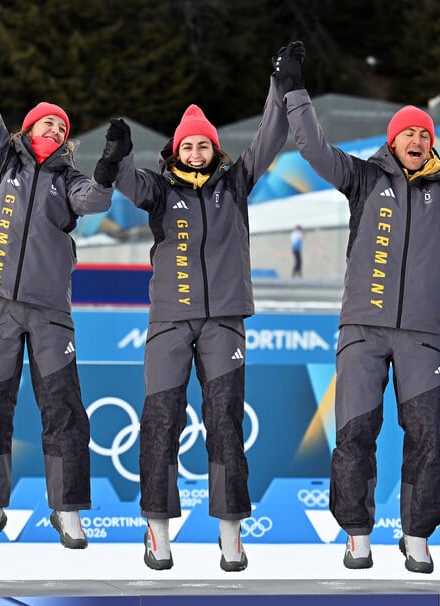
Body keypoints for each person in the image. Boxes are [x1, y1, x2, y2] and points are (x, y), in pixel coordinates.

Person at [282, 44, 440, 573]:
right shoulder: (363, 179)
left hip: (420, 336)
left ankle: (416, 534)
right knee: (355, 435)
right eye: (408, 132)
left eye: (425, 133)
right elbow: (315, 148)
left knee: (427, 436)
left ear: (431, 144)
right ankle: (357, 532)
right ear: (393, 141)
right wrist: (295, 90)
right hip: (362, 330)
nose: (417, 139)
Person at [94, 44, 296, 572]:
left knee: (225, 422)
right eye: (190, 145)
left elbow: (270, 136)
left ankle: (230, 534)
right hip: (169, 321)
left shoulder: (236, 184)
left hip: (224, 321)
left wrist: (280, 84)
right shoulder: (160, 190)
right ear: (176, 150)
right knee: (161, 420)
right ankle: (157, 532)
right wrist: (117, 154)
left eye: (205, 145)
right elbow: (127, 182)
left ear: (214, 150)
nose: (198, 152)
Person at [0, 0, 113, 551]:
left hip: (51, 312)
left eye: (61, 125)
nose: (53, 127)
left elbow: (95, 201)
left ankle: (68, 511)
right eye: (44, 122)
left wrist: (106, 167)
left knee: (64, 412)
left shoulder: (69, 180)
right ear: (27, 130)